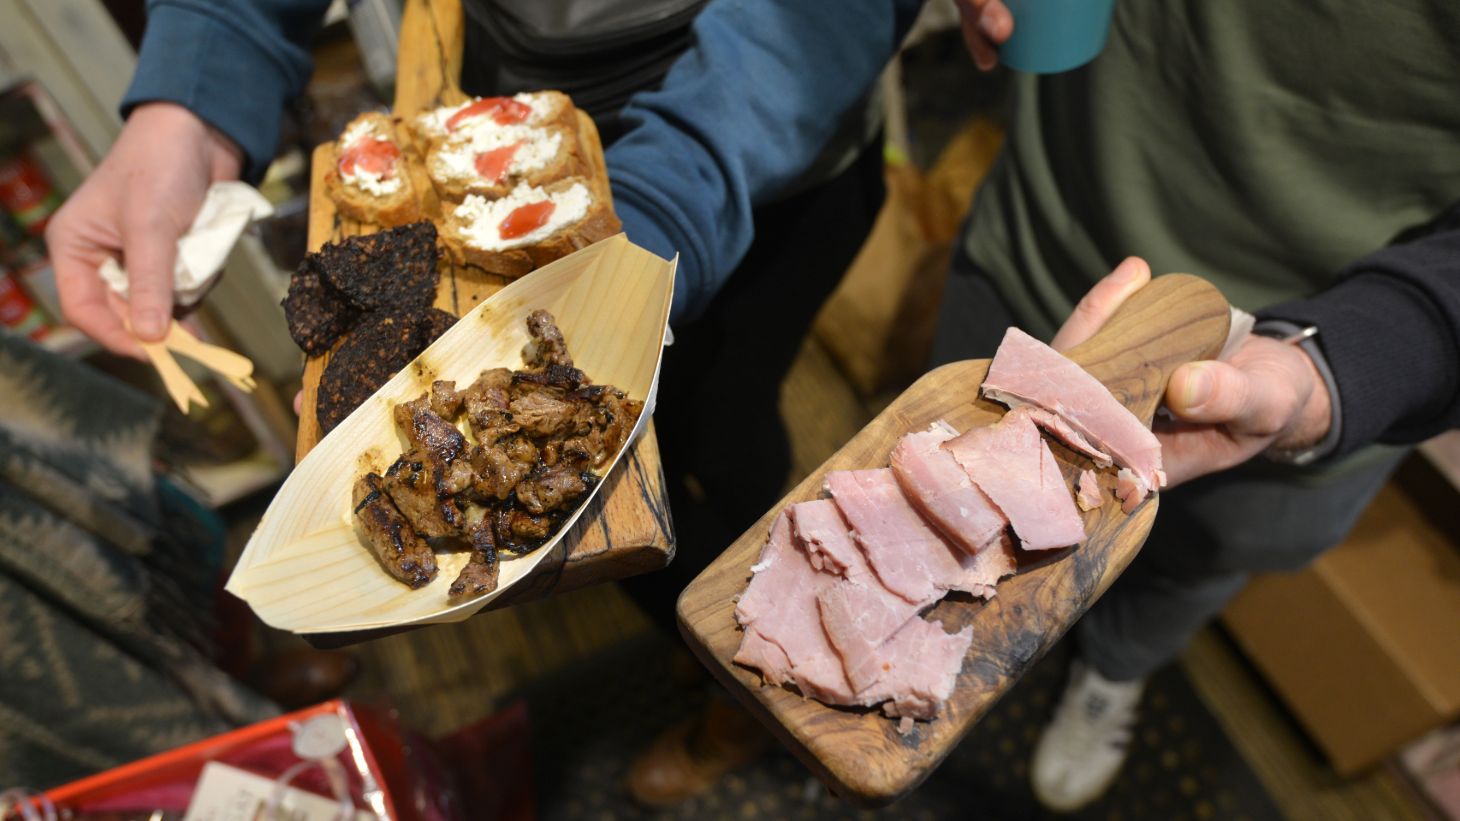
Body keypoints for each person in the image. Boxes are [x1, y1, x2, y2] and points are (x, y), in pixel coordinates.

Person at [49, 0, 1460, 811]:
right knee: (928, 477)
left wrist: (1361, 360)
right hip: (1043, 220)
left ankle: (1118, 666)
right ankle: (759, 655)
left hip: (1330, 331)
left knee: (1189, 550)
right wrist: (197, 94)